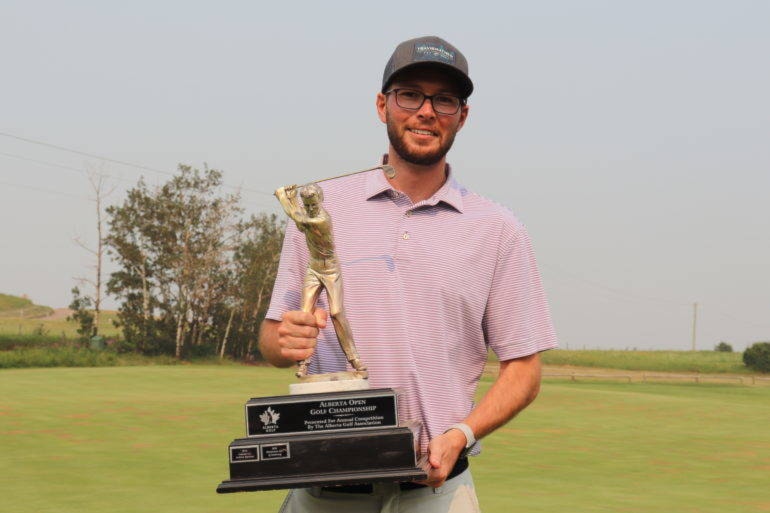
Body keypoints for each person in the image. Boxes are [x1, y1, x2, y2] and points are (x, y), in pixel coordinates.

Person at [259, 35, 558, 513]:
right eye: (410, 94)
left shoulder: (497, 228)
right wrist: (284, 341)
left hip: (437, 491)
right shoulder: (320, 207)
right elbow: (274, 340)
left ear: (462, 115)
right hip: (326, 488)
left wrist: (463, 433)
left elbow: (524, 369)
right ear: (383, 105)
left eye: (444, 99)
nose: (426, 111)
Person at [274, 183, 366, 377]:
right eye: (307, 205)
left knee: (337, 313)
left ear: (320, 200)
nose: (311, 208)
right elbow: (300, 220)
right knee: (305, 316)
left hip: (331, 270)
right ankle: (304, 364)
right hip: (313, 269)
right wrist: (292, 198)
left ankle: (355, 359)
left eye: (313, 204)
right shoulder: (307, 215)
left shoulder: (322, 219)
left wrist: (283, 197)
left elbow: (298, 217)